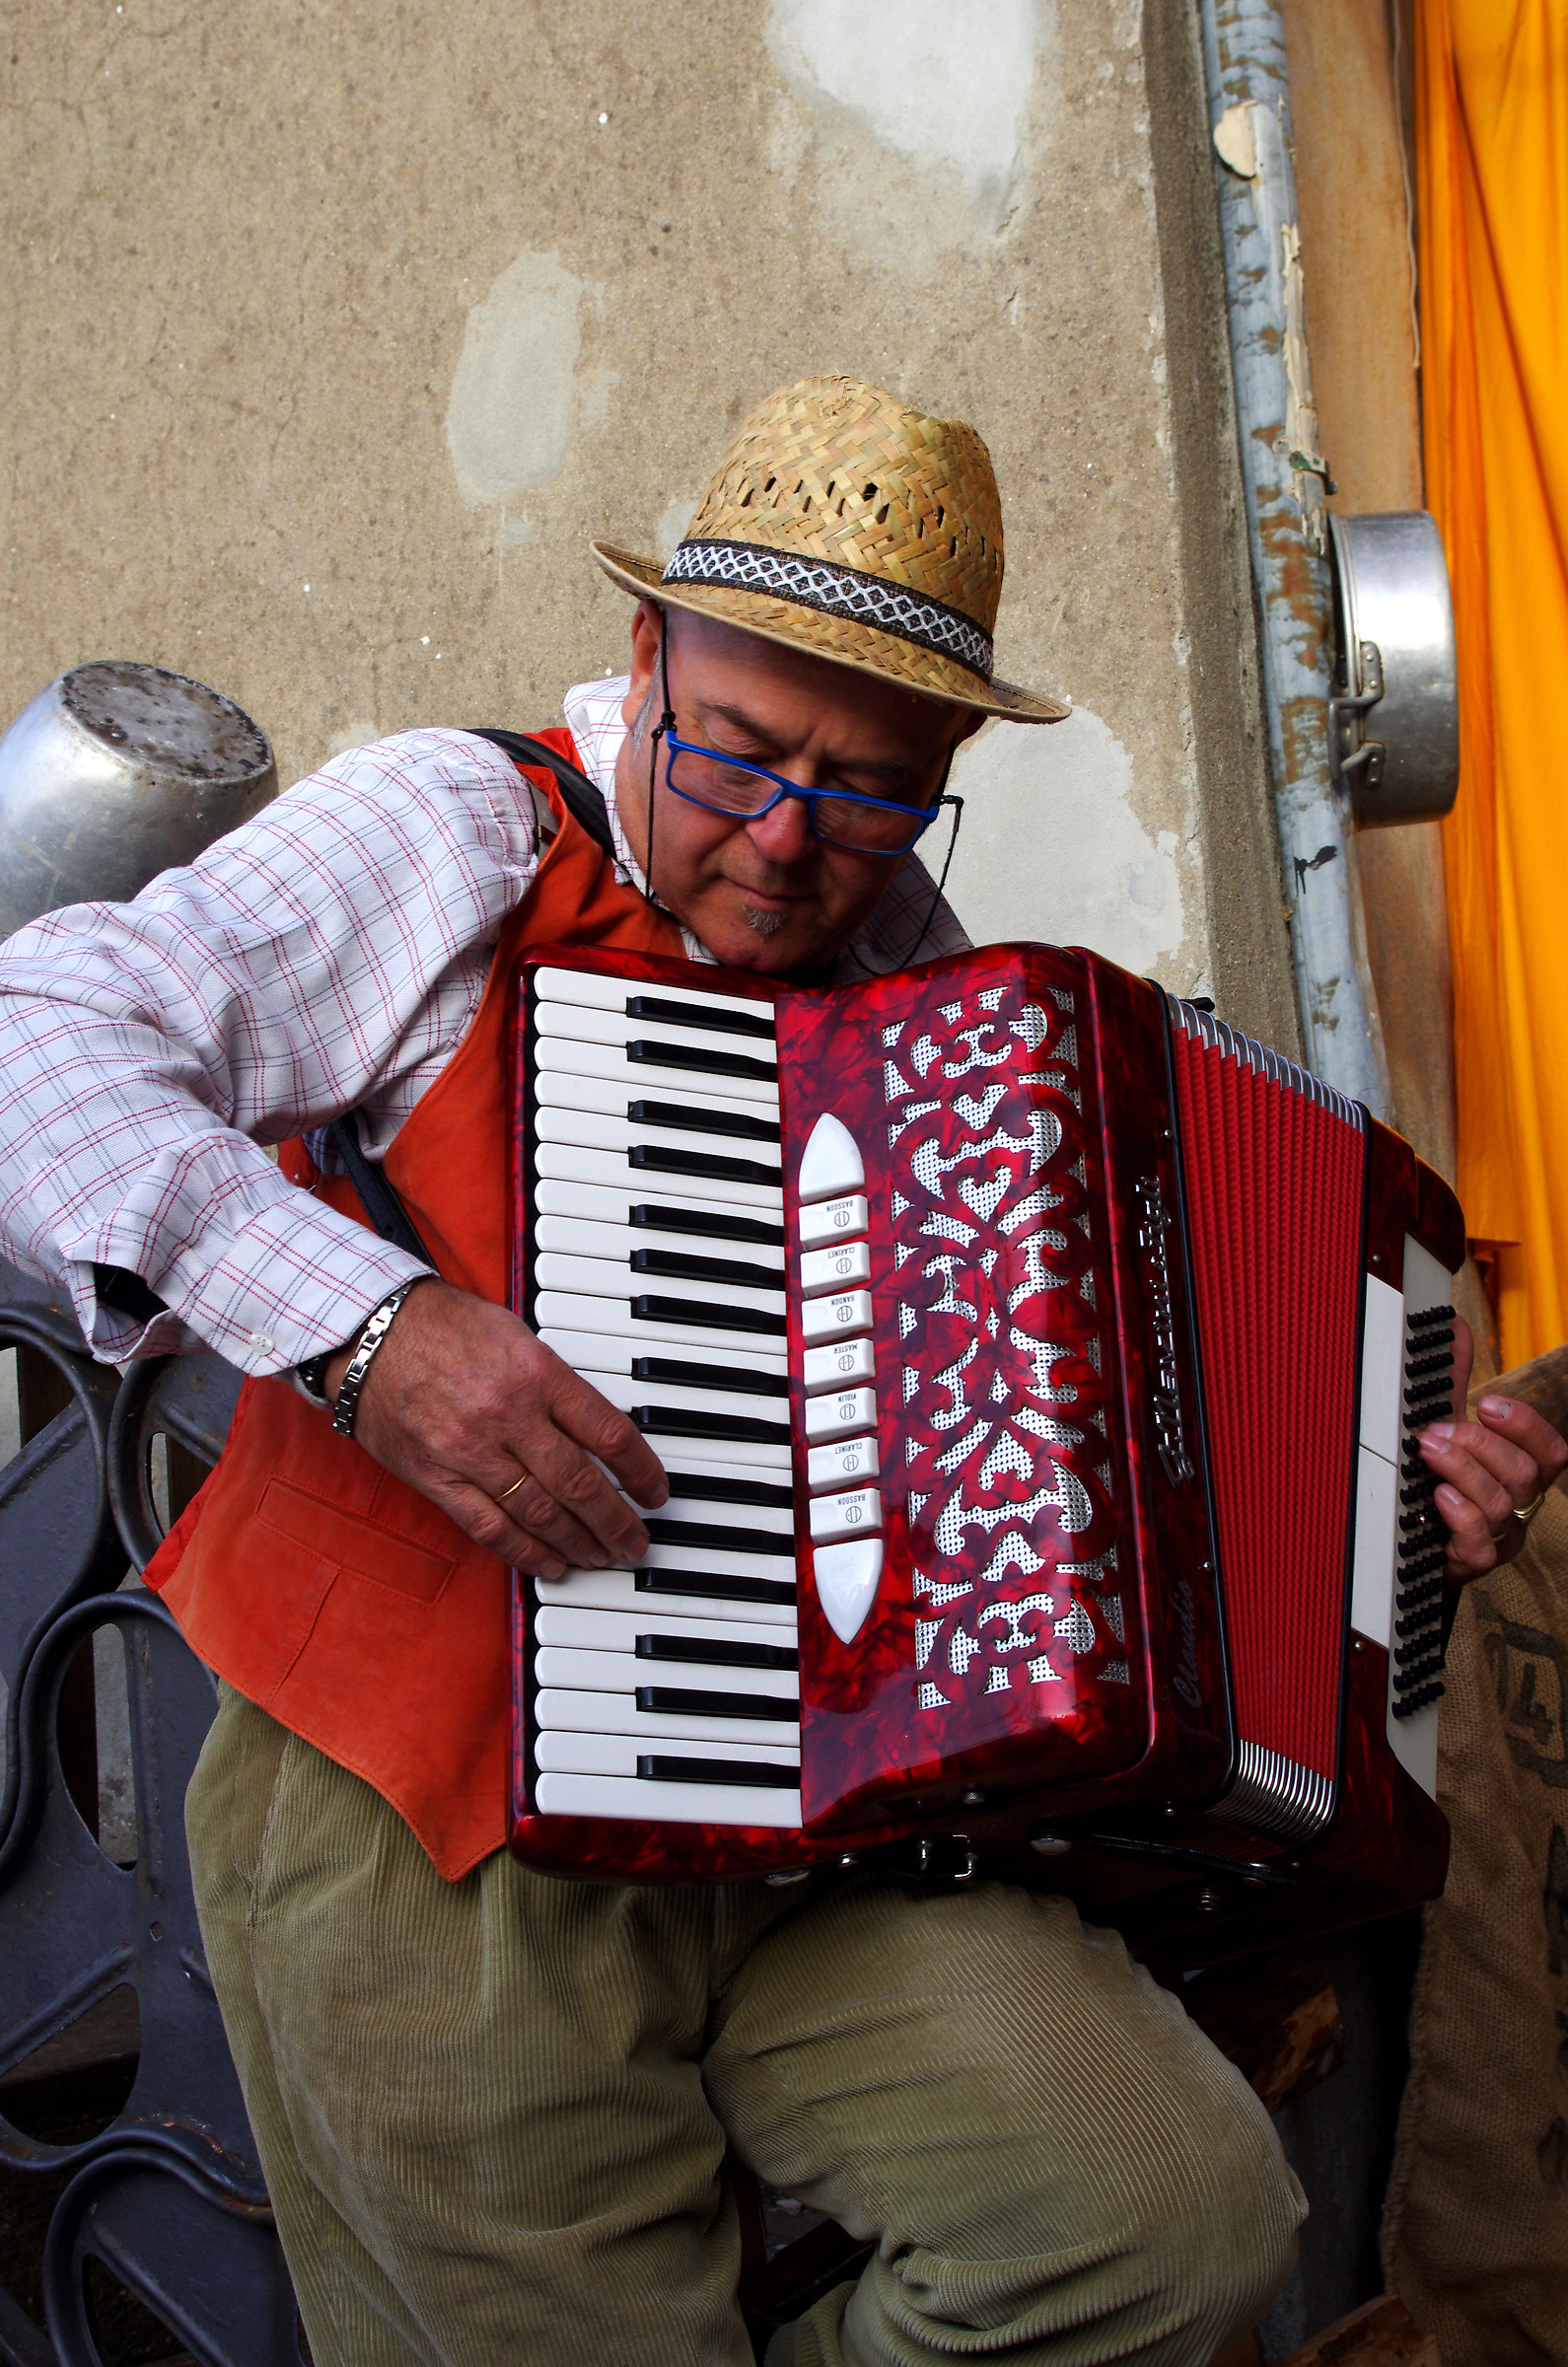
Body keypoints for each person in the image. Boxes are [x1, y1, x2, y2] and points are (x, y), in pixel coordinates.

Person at [0, 376, 1560, 2367]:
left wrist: (1379, 1531)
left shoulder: (925, 984)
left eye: (871, 786)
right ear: (647, 656)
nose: (789, 837)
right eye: (739, 753)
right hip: (423, 1830)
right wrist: (371, 1329)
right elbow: (42, 1026)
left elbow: (1062, 1473)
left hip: (815, 1825)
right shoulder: (462, 829)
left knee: (1164, 2221)